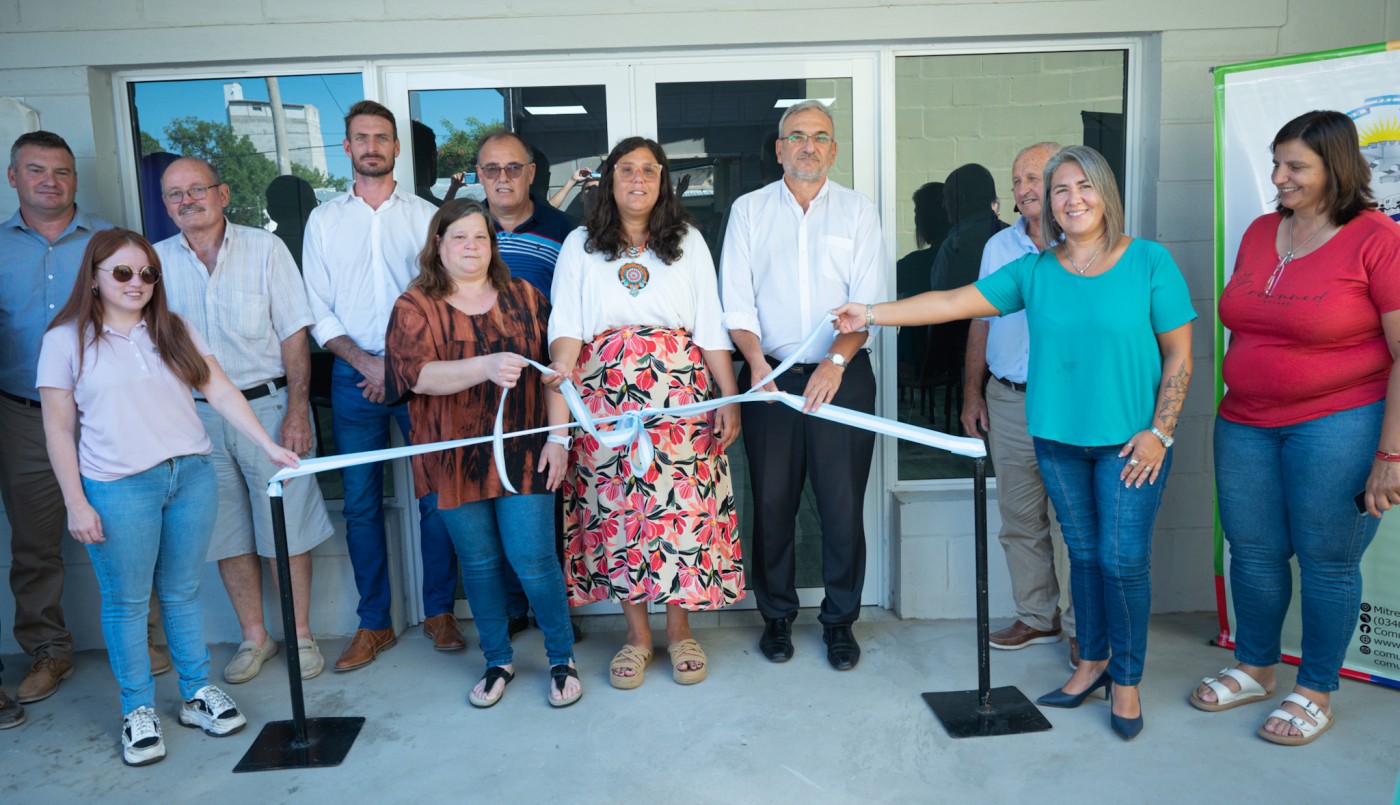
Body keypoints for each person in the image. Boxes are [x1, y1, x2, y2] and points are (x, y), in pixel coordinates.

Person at [835, 145, 1195, 740]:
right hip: (1056, 439)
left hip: (1132, 445)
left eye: (1083, 186)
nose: (1072, 199)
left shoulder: (1149, 262)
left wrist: (1161, 432)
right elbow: (952, 303)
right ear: (1047, 204)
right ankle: (1091, 663)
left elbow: (1180, 353)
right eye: (1060, 190)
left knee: (1123, 560)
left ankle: (1125, 680)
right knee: (1082, 555)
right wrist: (869, 312)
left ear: (1105, 192)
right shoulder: (1034, 271)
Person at [37, 228, 299, 766]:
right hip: (118, 486)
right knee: (128, 602)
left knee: (181, 592)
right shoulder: (64, 340)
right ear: (93, 278)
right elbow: (59, 430)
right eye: (124, 273)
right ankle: (137, 709)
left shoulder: (174, 328)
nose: (138, 283)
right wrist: (75, 502)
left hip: (192, 475)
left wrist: (267, 444)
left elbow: (220, 390)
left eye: (149, 274)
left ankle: (196, 693)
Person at [1190, 110, 1400, 746]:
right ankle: (1256, 666)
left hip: (1341, 422)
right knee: (1251, 552)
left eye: (1295, 167)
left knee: (1328, 559)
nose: (1278, 177)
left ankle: (1315, 688)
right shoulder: (1260, 231)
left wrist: (1391, 453)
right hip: (1245, 422)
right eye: (1276, 162)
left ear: (1336, 169)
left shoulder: (1376, 239)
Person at [547, 136, 743, 689]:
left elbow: (710, 327)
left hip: (679, 398)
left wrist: (727, 398)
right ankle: (636, 637)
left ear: (663, 181)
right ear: (610, 179)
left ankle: (679, 630)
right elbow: (566, 328)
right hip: (605, 397)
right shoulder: (580, 245)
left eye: (649, 171)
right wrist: (562, 379)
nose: (638, 179)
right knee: (622, 517)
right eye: (627, 170)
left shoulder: (689, 243)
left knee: (680, 510)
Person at [385, 199, 580, 707]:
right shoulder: (415, 305)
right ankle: (498, 659)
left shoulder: (524, 296)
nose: (471, 246)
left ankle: (562, 657)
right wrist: (485, 365)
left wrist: (559, 439)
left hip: (524, 449)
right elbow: (416, 376)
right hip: (452, 456)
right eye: (459, 238)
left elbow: (552, 373)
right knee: (480, 562)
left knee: (534, 559)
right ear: (438, 244)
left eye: (480, 237)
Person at [720, 100, 887, 671]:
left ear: (834, 149)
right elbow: (736, 303)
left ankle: (839, 622)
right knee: (771, 503)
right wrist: (755, 363)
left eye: (820, 137)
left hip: (842, 374)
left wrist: (834, 362)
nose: (808, 146)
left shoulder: (859, 213)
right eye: (797, 136)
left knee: (841, 506)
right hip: (768, 378)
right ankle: (777, 617)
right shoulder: (748, 211)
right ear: (779, 149)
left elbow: (866, 306)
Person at [155, 157, 335, 684]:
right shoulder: (154, 262)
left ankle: (299, 634)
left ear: (224, 193)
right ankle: (255, 637)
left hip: (270, 407)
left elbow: (294, 335)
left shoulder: (265, 248)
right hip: (196, 418)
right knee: (226, 532)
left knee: (287, 526)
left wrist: (299, 411)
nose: (186, 201)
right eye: (173, 194)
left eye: (197, 189)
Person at [301, 100, 463, 670]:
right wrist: (366, 363)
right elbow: (317, 309)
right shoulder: (323, 221)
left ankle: (439, 611)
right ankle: (375, 624)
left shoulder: (424, 218)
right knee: (363, 506)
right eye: (361, 137)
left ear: (396, 149)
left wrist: (396, 366)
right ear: (346, 148)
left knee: (436, 500)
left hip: (418, 377)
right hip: (352, 377)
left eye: (382, 137)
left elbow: (440, 301)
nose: (372, 146)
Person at [1, 130, 115, 706]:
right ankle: (49, 649)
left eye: (62, 171)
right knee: (34, 542)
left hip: (104, 412)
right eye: (36, 170)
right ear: (13, 177)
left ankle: (142, 640)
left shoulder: (107, 243)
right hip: (22, 415)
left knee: (124, 526)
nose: (50, 181)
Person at [959, 142, 1079, 666]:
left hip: (1074, 405)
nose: (1025, 188)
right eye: (1017, 181)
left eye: (1035, 177)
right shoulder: (999, 247)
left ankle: (1083, 627)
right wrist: (971, 390)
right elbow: (981, 319)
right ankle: (1038, 618)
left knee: (1075, 522)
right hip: (1009, 401)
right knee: (1019, 518)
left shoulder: (1092, 247)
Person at [469, 131, 576, 636]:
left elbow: (575, 311)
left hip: (545, 388)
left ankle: (556, 612)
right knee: (493, 496)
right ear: (479, 176)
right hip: (479, 390)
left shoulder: (565, 231)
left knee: (545, 499)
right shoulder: (465, 229)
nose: (503, 178)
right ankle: (513, 608)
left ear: (531, 173)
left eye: (513, 168)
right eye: (492, 169)